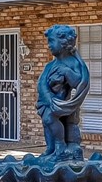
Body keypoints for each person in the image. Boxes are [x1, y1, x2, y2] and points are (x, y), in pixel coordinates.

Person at [36, 23, 89, 160]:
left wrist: (67, 72)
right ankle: (51, 147)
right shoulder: (51, 65)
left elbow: (78, 82)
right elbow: (41, 83)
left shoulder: (72, 63)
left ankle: (60, 145)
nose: (49, 45)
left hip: (63, 102)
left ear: (64, 43)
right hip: (49, 101)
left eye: (51, 41)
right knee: (46, 122)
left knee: (49, 119)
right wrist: (48, 98)